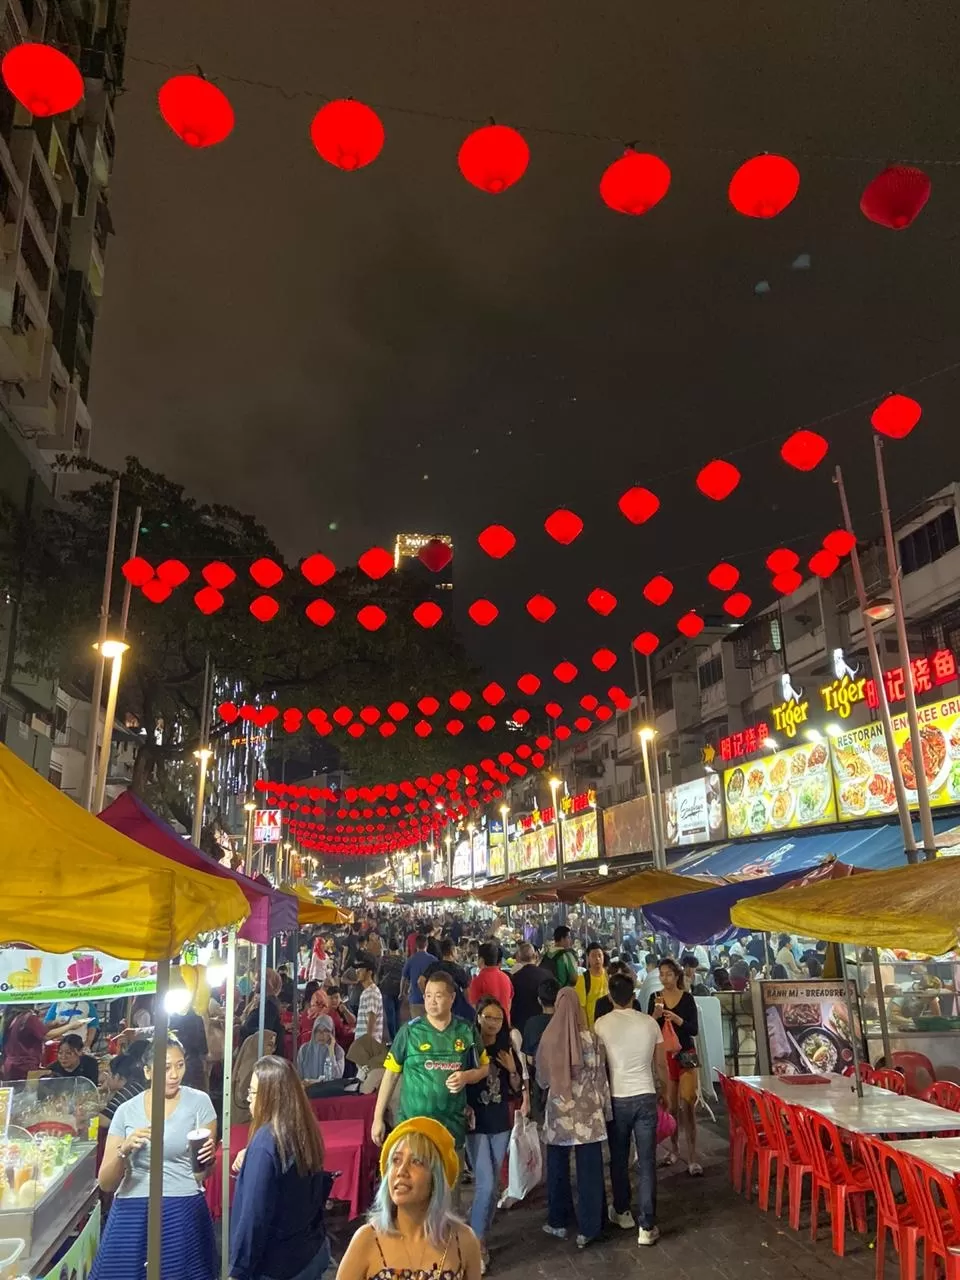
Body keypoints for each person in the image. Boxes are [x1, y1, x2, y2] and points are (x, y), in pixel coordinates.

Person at [93, 1035, 217, 1280]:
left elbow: (201, 1174)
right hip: (132, 1205)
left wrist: (208, 1158)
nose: (174, 1074)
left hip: (181, 1202)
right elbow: (106, 1183)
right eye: (166, 1068)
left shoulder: (199, 1103)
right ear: (148, 1072)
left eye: (180, 1065)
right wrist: (124, 1150)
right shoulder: (126, 1111)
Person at [336, 1117, 482, 1280]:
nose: (401, 1171)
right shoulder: (367, 1240)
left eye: (416, 1162)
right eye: (396, 1160)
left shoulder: (463, 1240)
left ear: (436, 1178)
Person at [229, 1056, 331, 1280]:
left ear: (270, 1096)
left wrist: (238, 1271)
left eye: (253, 1093)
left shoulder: (266, 1143)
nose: (248, 1100)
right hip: (309, 1252)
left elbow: (253, 1216)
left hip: (277, 1265)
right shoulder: (302, 1129)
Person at [373, 971, 488, 1151]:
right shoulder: (409, 1032)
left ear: (452, 998)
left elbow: (484, 1068)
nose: (432, 1001)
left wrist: (466, 1076)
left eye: (438, 996)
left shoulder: (466, 1031)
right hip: (413, 1128)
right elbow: (390, 1075)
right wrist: (377, 1118)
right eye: (428, 995)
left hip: (451, 1129)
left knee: (449, 1178)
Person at [595, 973, 668, 1246]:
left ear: (611, 997)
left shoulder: (601, 1025)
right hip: (646, 1095)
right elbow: (660, 1065)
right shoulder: (650, 1023)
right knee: (647, 1162)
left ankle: (623, 1211)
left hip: (617, 1097)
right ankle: (647, 1226)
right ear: (634, 995)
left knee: (619, 1157)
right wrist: (665, 1092)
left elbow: (598, 1065)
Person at [536, 987, 610, 1248]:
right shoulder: (592, 1039)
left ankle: (558, 1221)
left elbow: (542, 1080)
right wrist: (606, 1110)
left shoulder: (549, 1039)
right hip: (589, 1116)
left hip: (558, 1116)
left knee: (557, 1169)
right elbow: (601, 1078)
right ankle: (589, 1228)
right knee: (590, 1171)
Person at [466, 998, 524, 1270]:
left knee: (492, 1187)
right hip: (475, 1124)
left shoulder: (505, 1048)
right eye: (488, 1017)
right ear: (478, 1017)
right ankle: (476, 1243)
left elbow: (516, 1087)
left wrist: (513, 1070)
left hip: (500, 1121)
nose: (492, 1023)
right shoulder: (468, 1047)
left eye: (497, 1019)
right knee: (486, 1184)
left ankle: (479, 1228)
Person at [650, 958, 702, 1176]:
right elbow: (650, 1026)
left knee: (688, 1103)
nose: (664, 978)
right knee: (670, 1108)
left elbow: (694, 1030)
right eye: (661, 974)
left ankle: (692, 1157)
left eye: (668, 974)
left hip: (686, 1054)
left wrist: (678, 1019)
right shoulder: (656, 998)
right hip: (666, 1056)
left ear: (677, 975)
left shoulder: (688, 999)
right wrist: (656, 1014)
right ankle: (674, 1150)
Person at [232, 1031, 278, 1126]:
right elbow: (244, 1095)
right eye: (269, 1045)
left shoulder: (259, 1064)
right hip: (245, 1119)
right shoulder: (250, 1067)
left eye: (274, 1046)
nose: (272, 1050)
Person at [241, 969, 287, 1057]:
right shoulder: (258, 1001)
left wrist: (245, 1028)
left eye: (257, 980)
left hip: (260, 1053)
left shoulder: (270, 1005)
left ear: (265, 983)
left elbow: (266, 1030)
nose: (254, 982)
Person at [508, 943, 550, 1037]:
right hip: (544, 1026)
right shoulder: (547, 975)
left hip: (520, 1026)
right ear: (535, 956)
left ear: (518, 958)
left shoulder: (514, 978)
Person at [467, 943, 513, 1021]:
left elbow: (473, 1007)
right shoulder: (506, 978)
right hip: (504, 1024)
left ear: (481, 960)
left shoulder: (478, 980)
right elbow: (509, 1003)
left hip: (487, 1028)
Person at [297, 1014, 345, 1084]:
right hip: (307, 1091)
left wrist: (331, 1051)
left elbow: (337, 1077)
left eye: (326, 1031)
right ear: (313, 1032)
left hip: (328, 1092)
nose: (321, 1034)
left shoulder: (338, 1051)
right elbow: (298, 1077)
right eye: (317, 1031)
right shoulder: (304, 1050)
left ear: (331, 1033)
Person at [101, 1051, 147, 1123]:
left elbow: (104, 1120)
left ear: (117, 1076)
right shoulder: (137, 1083)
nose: (106, 1077)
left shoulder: (129, 1091)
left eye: (109, 1073)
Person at [574, 945, 609, 1030]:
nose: (597, 959)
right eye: (593, 956)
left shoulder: (609, 975)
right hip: (593, 1027)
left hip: (609, 1025)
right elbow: (581, 1007)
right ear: (588, 958)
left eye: (600, 955)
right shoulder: (583, 979)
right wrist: (586, 1028)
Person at [401, 934, 434, 1022]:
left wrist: (402, 992)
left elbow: (403, 978)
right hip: (431, 999)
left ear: (416, 946)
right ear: (427, 944)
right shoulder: (433, 960)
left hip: (415, 999)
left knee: (417, 1027)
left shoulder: (411, 959)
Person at [378, 938, 405, 1041]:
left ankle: (393, 1038)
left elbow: (379, 974)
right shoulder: (403, 960)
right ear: (399, 947)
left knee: (390, 1014)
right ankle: (398, 1036)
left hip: (386, 988)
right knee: (398, 1013)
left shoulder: (384, 959)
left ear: (388, 947)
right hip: (399, 988)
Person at [356, 952, 385, 1042]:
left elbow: (371, 1018)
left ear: (369, 972)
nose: (357, 972)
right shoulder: (367, 991)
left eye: (361, 969)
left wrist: (367, 1046)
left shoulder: (371, 993)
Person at [324, 987, 357, 1052]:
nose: (334, 1000)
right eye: (331, 998)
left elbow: (353, 1021)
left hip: (349, 1042)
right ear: (326, 999)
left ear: (340, 999)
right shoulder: (326, 1013)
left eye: (336, 998)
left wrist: (345, 1011)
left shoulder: (343, 1007)